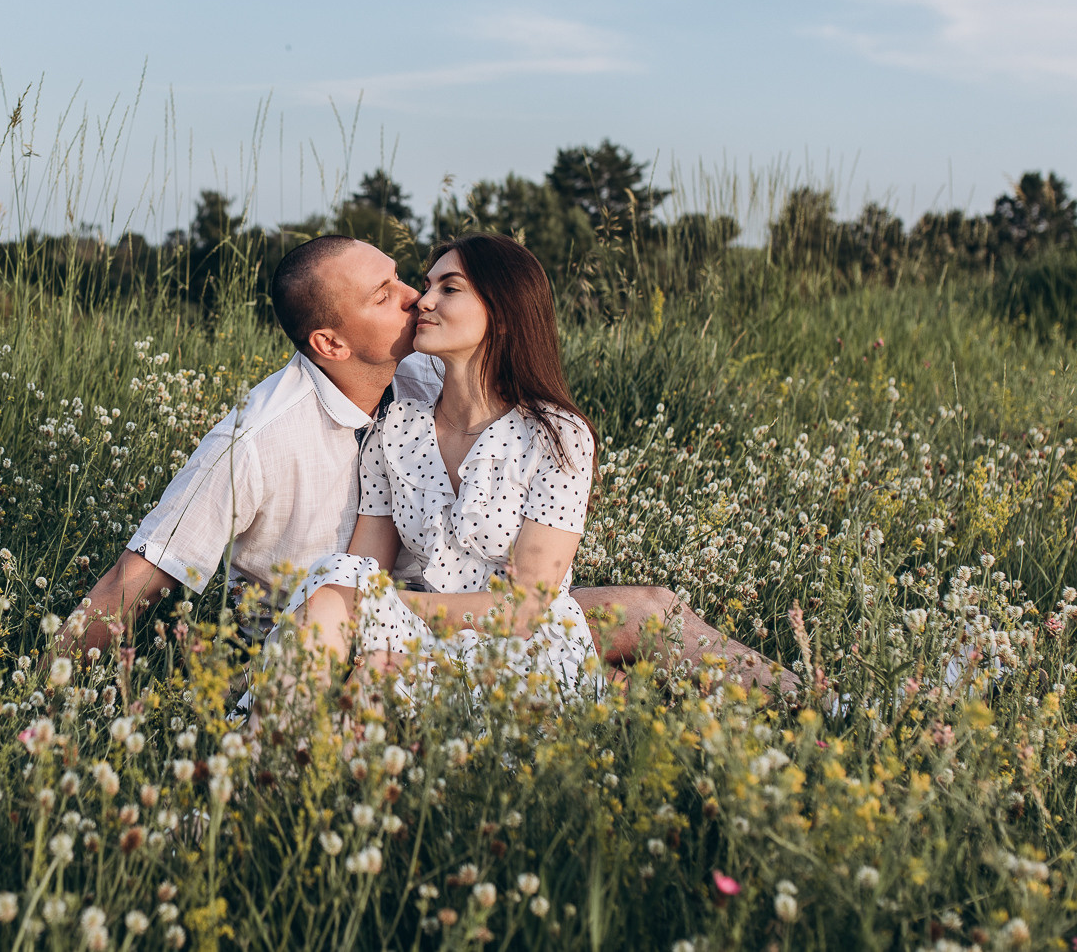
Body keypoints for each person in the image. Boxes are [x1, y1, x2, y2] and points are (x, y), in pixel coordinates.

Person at [64, 233, 784, 688]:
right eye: (389, 295)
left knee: (651, 611)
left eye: (413, 281)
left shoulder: (419, 373)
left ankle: (814, 699)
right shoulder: (256, 440)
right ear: (332, 344)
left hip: (437, 610)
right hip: (323, 634)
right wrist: (50, 692)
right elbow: (133, 577)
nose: (416, 300)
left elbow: (504, 393)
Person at [283, 233, 597, 690]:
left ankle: (281, 720)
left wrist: (383, 605)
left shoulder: (557, 436)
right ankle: (279, 724)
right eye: (428, 285)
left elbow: (526, 608)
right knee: (338, 581)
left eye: (449, 289)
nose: (423, 301)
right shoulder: (396, 430)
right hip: (422, 637)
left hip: (525, 654)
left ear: (503, 315)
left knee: (369, 657)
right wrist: (363, 607)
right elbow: (364, 566)